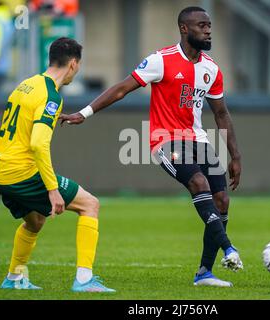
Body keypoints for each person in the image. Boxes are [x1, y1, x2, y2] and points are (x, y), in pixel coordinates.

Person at [60, 6, 243, 287]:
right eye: (202, 25)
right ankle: (229, 248)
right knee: (198, 183)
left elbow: (221, 114)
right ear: (184, 29)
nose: (208, 30)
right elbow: (121, 88)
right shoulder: (161, 60)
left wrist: (235, 155)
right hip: (166, 140)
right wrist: (84, 113)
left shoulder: (211, 69)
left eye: (209, 26)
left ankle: (204, 273)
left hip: (199, 140)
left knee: (222, 201)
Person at [0, 37, 115, 293]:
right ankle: (84, 280)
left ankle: (15, 277)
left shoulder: (26, 84)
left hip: (1, 168)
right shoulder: (51, 96)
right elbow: (38, 144)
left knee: (35, 221)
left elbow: (12, 133)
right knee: (90, 204)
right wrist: (52, 190)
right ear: (73, 64)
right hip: (20, 171)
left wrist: (0, 183)